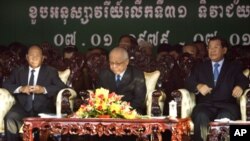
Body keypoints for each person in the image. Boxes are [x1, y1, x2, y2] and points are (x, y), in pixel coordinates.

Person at [185, 37, 249, 141]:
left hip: (227, 106)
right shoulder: (200, 67)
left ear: (224, 50)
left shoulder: (233, 67)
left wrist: (240, 86)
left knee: (224, 118)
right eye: (210, 48)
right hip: (205, 106)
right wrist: (198, 86)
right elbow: (188, 82)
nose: (212, 50)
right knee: (201, 116)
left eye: (216, 47)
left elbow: (244, 80)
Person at [3, 45, 66, 141]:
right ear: (27, 57)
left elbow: (62, 87)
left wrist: (44, 89)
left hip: (43, 109)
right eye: (31, 56)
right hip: (22, 108)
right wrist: (20, 89)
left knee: (42, 128)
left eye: (37, 56)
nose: (34, 58)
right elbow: (6, 84)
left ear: (42, 58)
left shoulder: (51, 71)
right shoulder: (18, 71)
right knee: (10, 118)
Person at [97, 47, 146, 115]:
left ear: (126, 62)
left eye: (118, 63)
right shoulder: (104, 74)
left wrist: (121, 109)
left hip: (131, 112)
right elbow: (99, 96)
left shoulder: (137, 75)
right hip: (108, 113)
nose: (114, 66)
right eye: (111, 63)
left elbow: (139, 100)